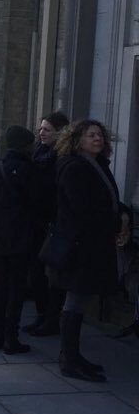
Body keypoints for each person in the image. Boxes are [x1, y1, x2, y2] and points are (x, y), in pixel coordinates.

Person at [48, 120, 125, 382]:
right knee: (75, 299)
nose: (98, 139)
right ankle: (68, 359)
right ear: (78, 139)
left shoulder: (97, 165)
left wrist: (120, 214)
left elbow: (108, 199)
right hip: (80, 246)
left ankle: (73, 356)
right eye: (91, 135)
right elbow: (82, 208)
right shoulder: (74, 167)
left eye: (100, 135)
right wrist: (112, 221)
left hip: (93, 244)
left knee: (79, 300)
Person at [0, 126, 36, 354]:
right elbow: (35, 201)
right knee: (16, 288)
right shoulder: (27, 169)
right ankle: (11, 337)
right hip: (19, 233)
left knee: (1, 285)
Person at [24, 110, 70, 336]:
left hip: (53, 225)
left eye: (46, 129)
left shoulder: (63, 158)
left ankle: (52, 318)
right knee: (37, 273)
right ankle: (42, 315)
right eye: (40, 128)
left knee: (52, 276)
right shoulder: (38, 152)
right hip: (36, 222)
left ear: (60, 133)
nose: (41, 133)